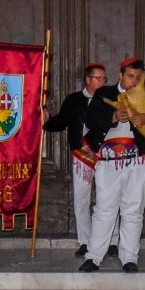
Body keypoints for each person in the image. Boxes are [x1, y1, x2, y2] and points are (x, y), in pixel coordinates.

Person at [78, 56, 145, 273]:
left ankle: (129, 257)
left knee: (133, 209)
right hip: (108, 161)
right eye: (131, 76)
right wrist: (113, 116)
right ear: (120, 75)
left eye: (139, 78)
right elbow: (91, 120)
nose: (134, 81)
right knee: (104, 208)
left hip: (138, 161)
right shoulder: (104, 94)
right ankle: (93, 256)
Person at [45, 62, 104, 255]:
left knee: (107, 200)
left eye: (104, 79)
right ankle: (85, 241)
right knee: (81, 200)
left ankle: (110, 241)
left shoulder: (110, 99)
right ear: (88, 80)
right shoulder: (73, 100)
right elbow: (60, 122)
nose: (103, 82)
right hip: (81, 157)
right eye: (99, 78)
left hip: (105, 157)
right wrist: (45, 120)